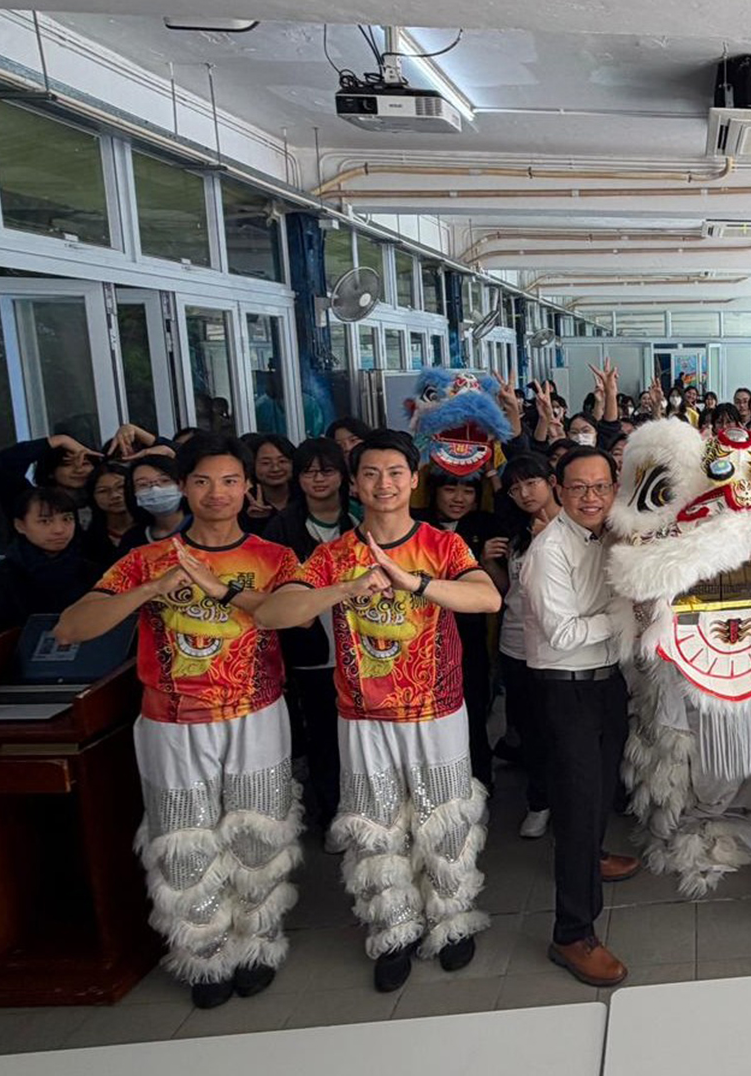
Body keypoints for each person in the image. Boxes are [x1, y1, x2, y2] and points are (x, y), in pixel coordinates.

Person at [53, 433, 302, 1009]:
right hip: (172, 719)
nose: (217, 493)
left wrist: (220, 590)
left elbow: (290, 617)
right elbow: (71, 627)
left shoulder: (274, 557)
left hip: (256, 711)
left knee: (258, 830)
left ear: (248, 487)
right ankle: (205, 953)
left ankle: (257, 943)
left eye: (230, 481)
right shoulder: (146, 559)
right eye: (203, 481)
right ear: (183, 488)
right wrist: (153, 588)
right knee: (185, 836)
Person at [256, 429, 502, 993]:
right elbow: (273, 613)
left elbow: (486, 597)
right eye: (370, 473)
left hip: (436, 709)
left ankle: (451, 920)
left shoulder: (440, 545)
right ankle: (393, 929)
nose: (383, 483)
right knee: (376, 823)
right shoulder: (334, 555)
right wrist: (342, 590)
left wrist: (413, 583)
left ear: (414, 480)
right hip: (363, 715)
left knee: (444, 817)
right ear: (354, 483)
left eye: (395, 473)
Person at [513, 445, 642, 985]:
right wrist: (624, 615)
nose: (592, 497)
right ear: (558, 490)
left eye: (601, 486)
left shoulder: (609, 534)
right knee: (575, 808)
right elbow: (564, 634)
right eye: (579, 487)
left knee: (599, 792)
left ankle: (593, 855)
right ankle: (572, 932)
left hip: (605, 683)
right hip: (566, 694)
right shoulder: (548, 551)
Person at [259, 439, 353, 828]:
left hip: (362, 648)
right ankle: (332, 814)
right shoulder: (282, 527)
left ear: (342, 475)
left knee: (359, 738)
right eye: (308, 472)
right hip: (310, 650)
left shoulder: (361, 519)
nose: (318, 479)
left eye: (326, 470)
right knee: (323, 736)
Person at [419, 469, 505, 790]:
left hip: (469, 638)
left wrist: (486, 563)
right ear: (433, 491)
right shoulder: (417, 524)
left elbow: (500, 592)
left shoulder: (486, 525)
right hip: (421, 639)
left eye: (468, 491)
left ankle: (480, 783)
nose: (459, 499)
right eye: (450, 489)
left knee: (474, 710)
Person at [491, 454, 557, 838]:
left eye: (531, 483)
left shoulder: (573, 526)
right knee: (530, 729)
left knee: (561, 729)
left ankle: (568, 800)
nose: (524, 493)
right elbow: (509, 591)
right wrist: (489, 564)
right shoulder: (517, 534)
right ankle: (539, 801)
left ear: (551, 482)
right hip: (516, 644)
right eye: (515, 488)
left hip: (560, 647)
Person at [0, 486, 102, 650]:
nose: (59, 530)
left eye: (67, 519)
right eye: (45, 521)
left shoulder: (92, 573)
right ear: (20, 525)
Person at [119, 455, 189, 551]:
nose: (155, 489)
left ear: (181, 484)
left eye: (164, 480)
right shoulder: (132, 539)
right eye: (143, 484)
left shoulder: (203, 527)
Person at [81, 462, 137, 568]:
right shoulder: (86, 540)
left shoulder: (152, 530)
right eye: (103, 491)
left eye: (121, 487)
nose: (115, 495)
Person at [244, 436, 295, 531]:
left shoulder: (305, 497)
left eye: (282, 461)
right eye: (266, 463)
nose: (275, 468)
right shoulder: (242, 504)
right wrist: (258, 520)